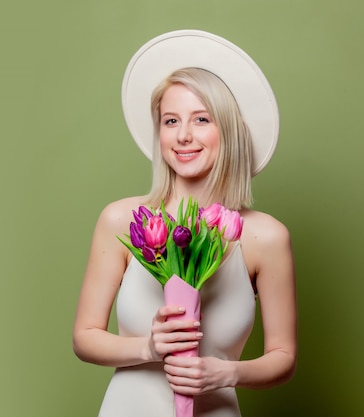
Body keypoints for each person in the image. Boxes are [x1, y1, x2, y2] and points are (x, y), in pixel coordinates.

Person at [72, 30, 297, 417]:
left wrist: (225, 372)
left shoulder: (266, 236)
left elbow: (283, 357)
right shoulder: (122, 220)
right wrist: (148, 347)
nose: (183, 136)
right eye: (171, 120)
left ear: (228, 130)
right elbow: (84, 338)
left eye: (202, 119)